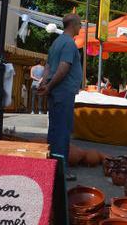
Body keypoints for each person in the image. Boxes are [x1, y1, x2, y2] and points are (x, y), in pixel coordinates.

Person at [37, 13, 83, 181]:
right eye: (79, 24)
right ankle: (61, 171)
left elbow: (49, 66)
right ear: (74, 25)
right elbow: (63, 68)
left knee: (54, 130)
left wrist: (44, 83)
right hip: (63, 92)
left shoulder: (56, 43)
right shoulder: (69, 44)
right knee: (63, 131)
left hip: (56, 92)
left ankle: (51, 167)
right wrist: (48, 86)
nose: (80, 28)